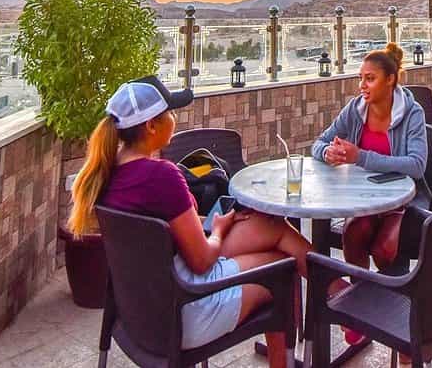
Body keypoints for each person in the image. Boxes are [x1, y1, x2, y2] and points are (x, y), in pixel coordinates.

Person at [67, 75, 311, 363]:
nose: (174, 118)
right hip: (184, 311)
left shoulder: (105, 174)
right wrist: (218, 229)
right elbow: (202, 261)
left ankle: (336, 293)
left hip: (139, 311)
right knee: (281, 268)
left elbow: (159, 230)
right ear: (151, 125)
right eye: (169, 112)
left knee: (270, 225)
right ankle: (331, 306)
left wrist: (211, 222)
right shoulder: (162, 176)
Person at [313, 43, 427, 347]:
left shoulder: (412, 113)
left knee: (385, 247)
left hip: (404, 202)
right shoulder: (355, 109)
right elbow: (318, 143)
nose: (362, 85)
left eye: (370, 79)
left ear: (390, 79)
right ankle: (361, 313)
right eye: (360, 78)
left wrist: (360, 156)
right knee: (354, 232)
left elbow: (416, 166)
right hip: (364, 200)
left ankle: (391, 316)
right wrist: (329, 153)